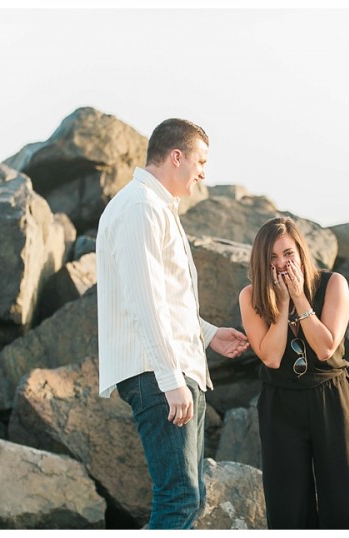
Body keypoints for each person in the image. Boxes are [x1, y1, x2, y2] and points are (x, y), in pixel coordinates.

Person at [96, 118, 250, 529]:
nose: (203, 172)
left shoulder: (155, 207)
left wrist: (210, 334)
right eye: (200, 161)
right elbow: (143, 301)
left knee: (188, 496)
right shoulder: (141, 207)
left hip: (173, 368)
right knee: (179, 498)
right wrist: (170, 378)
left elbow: (164, 298)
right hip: (158, 373)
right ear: (176, 156)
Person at [238, 216, 349, 529]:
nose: (282, 264)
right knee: (289, 505)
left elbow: (325, 347)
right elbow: (271, 357)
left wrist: (299, 297)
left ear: (301, 252)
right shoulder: (251, 297)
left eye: (288, 254)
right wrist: (283, 303)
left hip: (330, 398)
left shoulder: (333, 284)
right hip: (281, 404)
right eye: (272, 258)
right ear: (262, 262)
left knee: (346, 498)